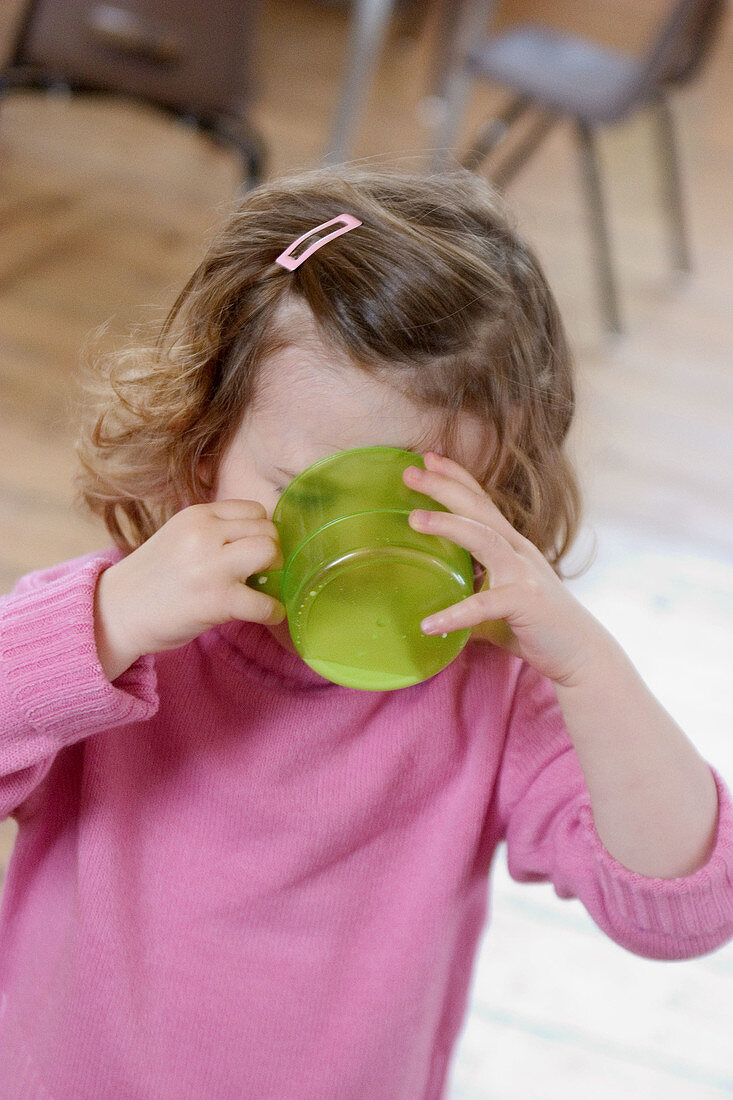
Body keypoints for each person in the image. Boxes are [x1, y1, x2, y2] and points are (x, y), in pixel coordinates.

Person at [0, 166, 731, 1100]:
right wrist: (100, 627)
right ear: (203, 441)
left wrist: (586, 664)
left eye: (406, 510)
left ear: (496, 500)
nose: (348, 556)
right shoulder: (109, 636)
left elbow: (686, 910)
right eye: (303, 492)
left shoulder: (492, 694)